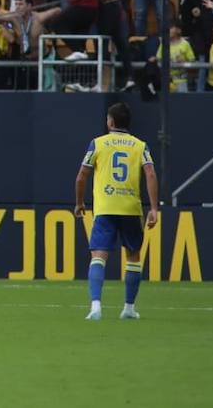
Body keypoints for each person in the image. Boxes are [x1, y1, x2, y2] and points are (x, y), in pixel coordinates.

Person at [75, 101, 159, 320]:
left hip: (105, 208)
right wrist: (153, 208)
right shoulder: (140, 146)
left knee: (98, 256)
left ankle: (95, 307)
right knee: (133, 256)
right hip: (130, 208)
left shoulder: (98, 144)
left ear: (110, 121)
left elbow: (82, 175)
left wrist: (79, 203)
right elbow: (150, 173)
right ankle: (129, 308)